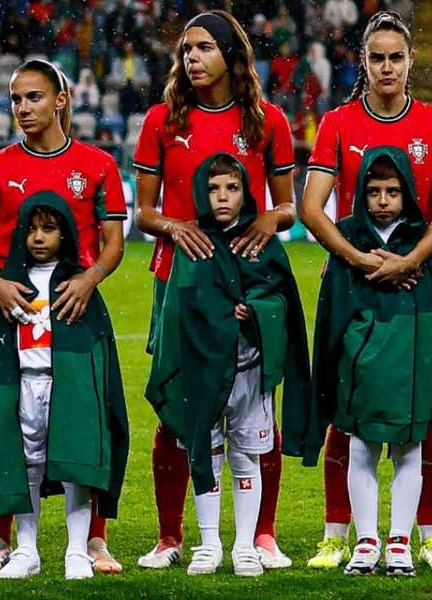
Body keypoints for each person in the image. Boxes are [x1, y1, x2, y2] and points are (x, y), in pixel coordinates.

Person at [300, 11, 432, 572]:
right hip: (356, 284)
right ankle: (340, 534)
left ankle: (427, 535)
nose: (387, 66)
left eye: (396, 57)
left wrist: (410, 261)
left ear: (410, 61)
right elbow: (310, 207)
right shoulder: (338, 124)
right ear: (363, 62)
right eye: (377, 57)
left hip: (419, 285)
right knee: (347, 411)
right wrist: (357, 259)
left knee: (422, 412)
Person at [133, 10, 298, 571]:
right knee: (179, 403)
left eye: (203, 48)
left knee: (257, 404)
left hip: (246, 278)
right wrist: (175, 227)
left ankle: (264, 534)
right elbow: (143, 211)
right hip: (177, 278)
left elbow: (288, 206)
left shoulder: (266, 120)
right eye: (186, 50)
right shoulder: (161, 119)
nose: (192, 59)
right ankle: (169, 536)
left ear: (231, 55)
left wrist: (268, 222)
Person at [0, 58, 126, 575]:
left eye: (33, 97)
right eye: (15, 99)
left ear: (60, 100)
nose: (22, 108)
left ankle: (93, 541)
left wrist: (88, 278)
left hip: (75, 311)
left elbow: (114, 242)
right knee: (5, 422)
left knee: (85, 424)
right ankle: (1, 539)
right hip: (13, 312)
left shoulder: (97, 164)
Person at [305, 147, 432, 577]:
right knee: (360, 447)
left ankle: (399, 540)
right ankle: (366, 542)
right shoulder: (347, 240)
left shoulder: (422, 242)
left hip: (412, 366)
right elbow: (331, 316)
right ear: (360, 193)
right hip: (360, 371)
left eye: (393, 191)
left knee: (410, 450)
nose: (383, 200)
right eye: (374, 191)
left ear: (408, 195)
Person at [146, 153, 311, 577]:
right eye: (214, 188)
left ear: (246, 192)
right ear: (202, 191)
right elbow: (176, 311)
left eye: (232, 188)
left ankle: (243, 545)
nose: (222, 197)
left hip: (249, 374)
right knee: (205, 452)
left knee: (246, 458)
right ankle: (208, 544)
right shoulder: (192, 243)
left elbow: (281, 300)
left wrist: (255, 311)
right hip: (202, 375)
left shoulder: (262, 243)